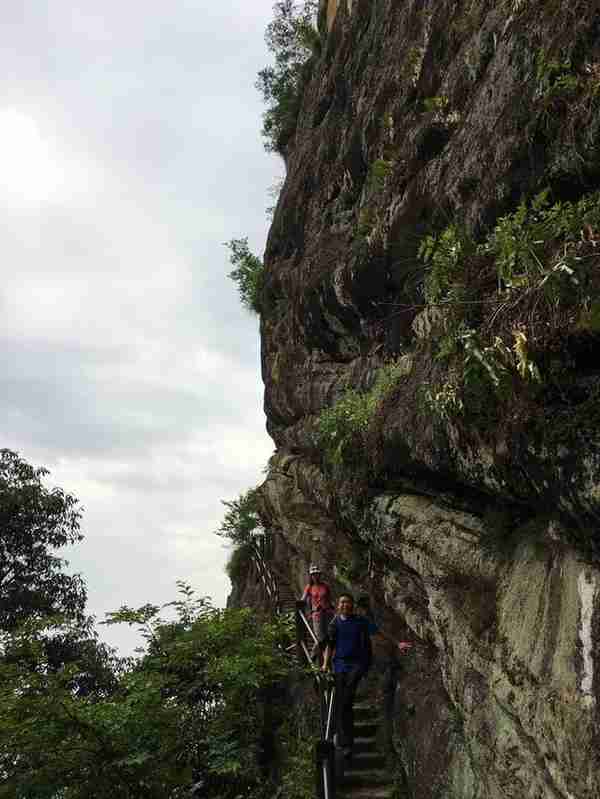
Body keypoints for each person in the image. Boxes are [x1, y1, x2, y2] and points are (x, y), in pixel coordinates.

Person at [321, 594, 372, 758]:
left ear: (352, 605)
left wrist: (397, 643)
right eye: (342, 602)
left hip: (356, 665)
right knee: (343, 704)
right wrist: (324, 664)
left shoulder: (360, 621)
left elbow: (377, 632)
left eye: (348, 602)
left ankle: (346, 743)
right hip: (340, 665)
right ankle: (346, 743)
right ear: (338, 605)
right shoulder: (334, 623)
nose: (345, 604)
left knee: (346, 701)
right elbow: (329, 645)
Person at [301, 564, 334, 658]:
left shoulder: (325, 586)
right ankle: (312, 656)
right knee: (320, 637)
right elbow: (303, 598)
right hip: (317, 614)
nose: (315, 576)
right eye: (313, 574)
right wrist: (300, 604)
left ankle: (324, 661)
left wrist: (332, 610)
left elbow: (329, 599)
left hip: (328, 614)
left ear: (319, 575)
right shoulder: (309, 587)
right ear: (311, 576)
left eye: (317, 574)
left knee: (328, 637)